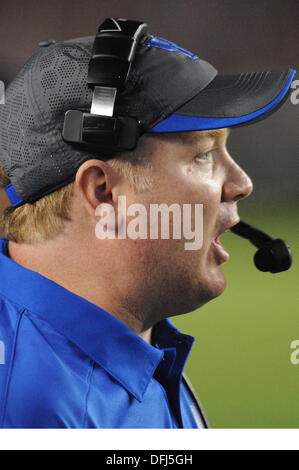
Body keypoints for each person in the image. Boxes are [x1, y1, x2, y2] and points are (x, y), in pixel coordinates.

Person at [0, 18, 295, 428]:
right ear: (103, 192)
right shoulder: (27, 407)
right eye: (204, 154)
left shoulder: (133, 338)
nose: (242, 184)